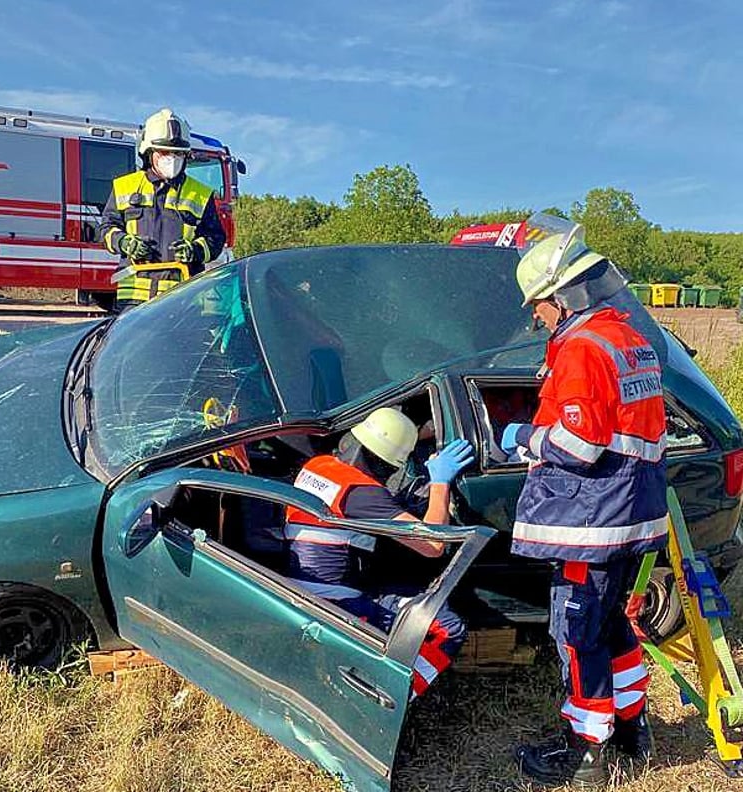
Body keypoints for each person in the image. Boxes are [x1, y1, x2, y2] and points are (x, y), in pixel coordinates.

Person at [501, 215, 668, 786]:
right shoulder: (631, 341)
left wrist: (524, 437)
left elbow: (579, 445)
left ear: (562, 296)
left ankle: (586, 751)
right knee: (614, 629)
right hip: (633, 515)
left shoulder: (580, 349)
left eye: (539, 303)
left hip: (589, 523)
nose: (536, 314)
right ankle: (631, 728)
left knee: (576, 636)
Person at [283, 407, 475, 697]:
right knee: (447, 627)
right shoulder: (363, 493)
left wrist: (420, 433)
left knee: (408, 588)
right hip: (338, 605)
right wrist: (440, 482)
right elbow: (434, 545)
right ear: (385, 462)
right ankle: (392, 696)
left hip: (306, 589)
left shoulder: (319, 466)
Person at [99, 108, 226, 313]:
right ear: (149, 153)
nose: (172, 158)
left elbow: (216, 238)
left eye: (178, 153)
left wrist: (195, 250)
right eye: (165, 152)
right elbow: (106, 228)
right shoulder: (125, 187)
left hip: (183, 296)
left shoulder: (200, 194)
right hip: (134, 298)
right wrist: (124, 242)